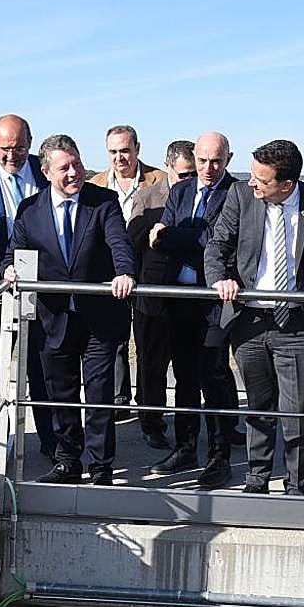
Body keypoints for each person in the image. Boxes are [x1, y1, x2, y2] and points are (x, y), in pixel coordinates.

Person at [205, 139, 304, 496]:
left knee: (297, 412)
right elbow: (217, 245)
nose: (252, 183)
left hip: (297, 324)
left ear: (287, 184)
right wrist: (219, 278)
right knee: (258, 407)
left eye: (261, 179)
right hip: (249, 323)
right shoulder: (241, 196)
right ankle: (256, 480)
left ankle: (296, 486)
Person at [3, 134, 136, 486]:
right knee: (60, 394)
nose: (74, 172)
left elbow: (119, 242)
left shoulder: (103, 201)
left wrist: (125, 272)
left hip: (98, 319)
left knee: (99, 394)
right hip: (53, 319)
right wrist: (9, 269)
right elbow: (13, 253)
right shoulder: (30, 211)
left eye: (77, 164)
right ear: (46, 172)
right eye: (65, 168)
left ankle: (102, 468)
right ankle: (67, 462)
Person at [149, 132, 245, 486]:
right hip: (180, 297)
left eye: (216, 161)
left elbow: (215, 241)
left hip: (215, 300)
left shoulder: (238, 194)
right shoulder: (181, 191)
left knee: (213, 375)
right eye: (202, 160)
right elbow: (164, 244)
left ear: (228, 159)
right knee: (184, 376)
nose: (208, 168)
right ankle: (185, 446)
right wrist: (174, 237)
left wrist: (170, 234)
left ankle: (219, 455)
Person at [0, 114, 57, 460]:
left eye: (18, 148)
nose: (10, 155)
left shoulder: (47, 173)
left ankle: (52, 443)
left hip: (44, 290)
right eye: (4, 148)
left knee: (44, 369)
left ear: (30, 143)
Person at [89, 125, 166, 418]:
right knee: (115, 339)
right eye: (113, 151)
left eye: (125, 150)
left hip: (148, 273)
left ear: (137, 149)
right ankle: (119, 401)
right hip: (110, 272)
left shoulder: (160, 180)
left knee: (149, 342)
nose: (119, 157)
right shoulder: (95, 184)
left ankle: (148, 406)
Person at [125, 140, 192, 452]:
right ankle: (152, 423)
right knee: (152, 364)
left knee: (192, 365)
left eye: (193, 174)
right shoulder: (147, 196)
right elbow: (132, 240)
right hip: (153, 295)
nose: (189, 180)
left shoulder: (201, 196)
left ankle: (194, 426)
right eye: (183, 174)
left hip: (190, 294)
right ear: (168, 168)